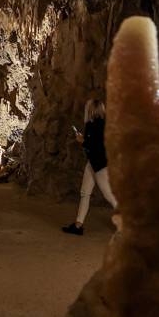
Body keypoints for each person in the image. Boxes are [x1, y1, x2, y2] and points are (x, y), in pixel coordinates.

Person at [62, 99, 118, 235]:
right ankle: (78, 225)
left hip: (100, 165)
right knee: (85, 193)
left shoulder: (97, 125)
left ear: (92, 110)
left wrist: (82, 141)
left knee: (110, 196)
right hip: (93, 164)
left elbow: (96, 147)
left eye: (87, 107)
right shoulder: (95, 124)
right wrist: (84, 140)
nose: (85, 109)